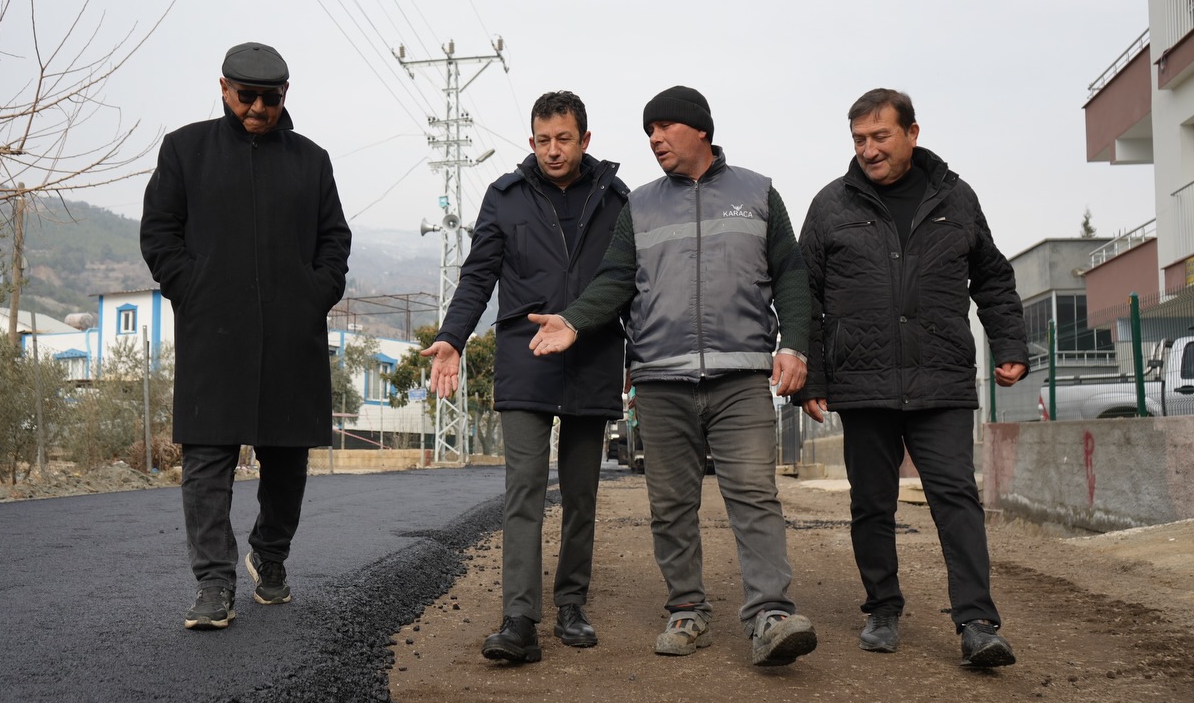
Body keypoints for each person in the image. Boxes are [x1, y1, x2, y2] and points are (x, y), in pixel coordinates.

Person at [528, 86, 818, 667]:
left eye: (664, 128)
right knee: (670, 505)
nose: (655, 140)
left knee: (754, 497)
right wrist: (575, 321)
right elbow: (614, 280)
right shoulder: (641, 205)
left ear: (701, 130)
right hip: (660, 380)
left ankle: (771, 614)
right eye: (648, 132)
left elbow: (790, 275)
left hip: (741, 377)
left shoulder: (758, 193)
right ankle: (687, 610)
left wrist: (796, 348)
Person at [796, 87, 1027, 668]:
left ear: (912, 133)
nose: (869, 150)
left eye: (880, 136)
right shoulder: (832, 206)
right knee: (871, 502)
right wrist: (812, 378)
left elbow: (993, 278)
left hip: (940, 377)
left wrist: (1011, 344)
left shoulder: (956, 197)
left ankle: (976, 621)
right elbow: (805, 299)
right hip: (864, 379)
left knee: (955, 496)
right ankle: (882, 607)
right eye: (859, 140)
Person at [140, 41, 351, 630]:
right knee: (207, 461)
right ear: (224, 89)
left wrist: (315, 294)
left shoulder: (312, 160)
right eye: (247, 95)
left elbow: (335, 240)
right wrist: (193, 289)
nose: (258, 107)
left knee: (288, 462)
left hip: (292, 335)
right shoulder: (185, 149)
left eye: (270, 97)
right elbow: (158, 232)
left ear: (286, 96)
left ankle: (272, 555)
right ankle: (212, 585)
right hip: (214, 333)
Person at [421, 90, 630, 663]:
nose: (553, 151)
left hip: (592, 357)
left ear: (585, 139)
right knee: (525, 492)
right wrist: (452, 337)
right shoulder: (505, 197)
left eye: (564, 139)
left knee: (583, 492)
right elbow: (478, 274)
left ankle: (571, 604)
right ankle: (519, 618)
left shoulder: (616, 199)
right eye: (542, 140)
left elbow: (631, 283)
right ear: (531, 140)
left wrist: (635, 358)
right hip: (525, 357)